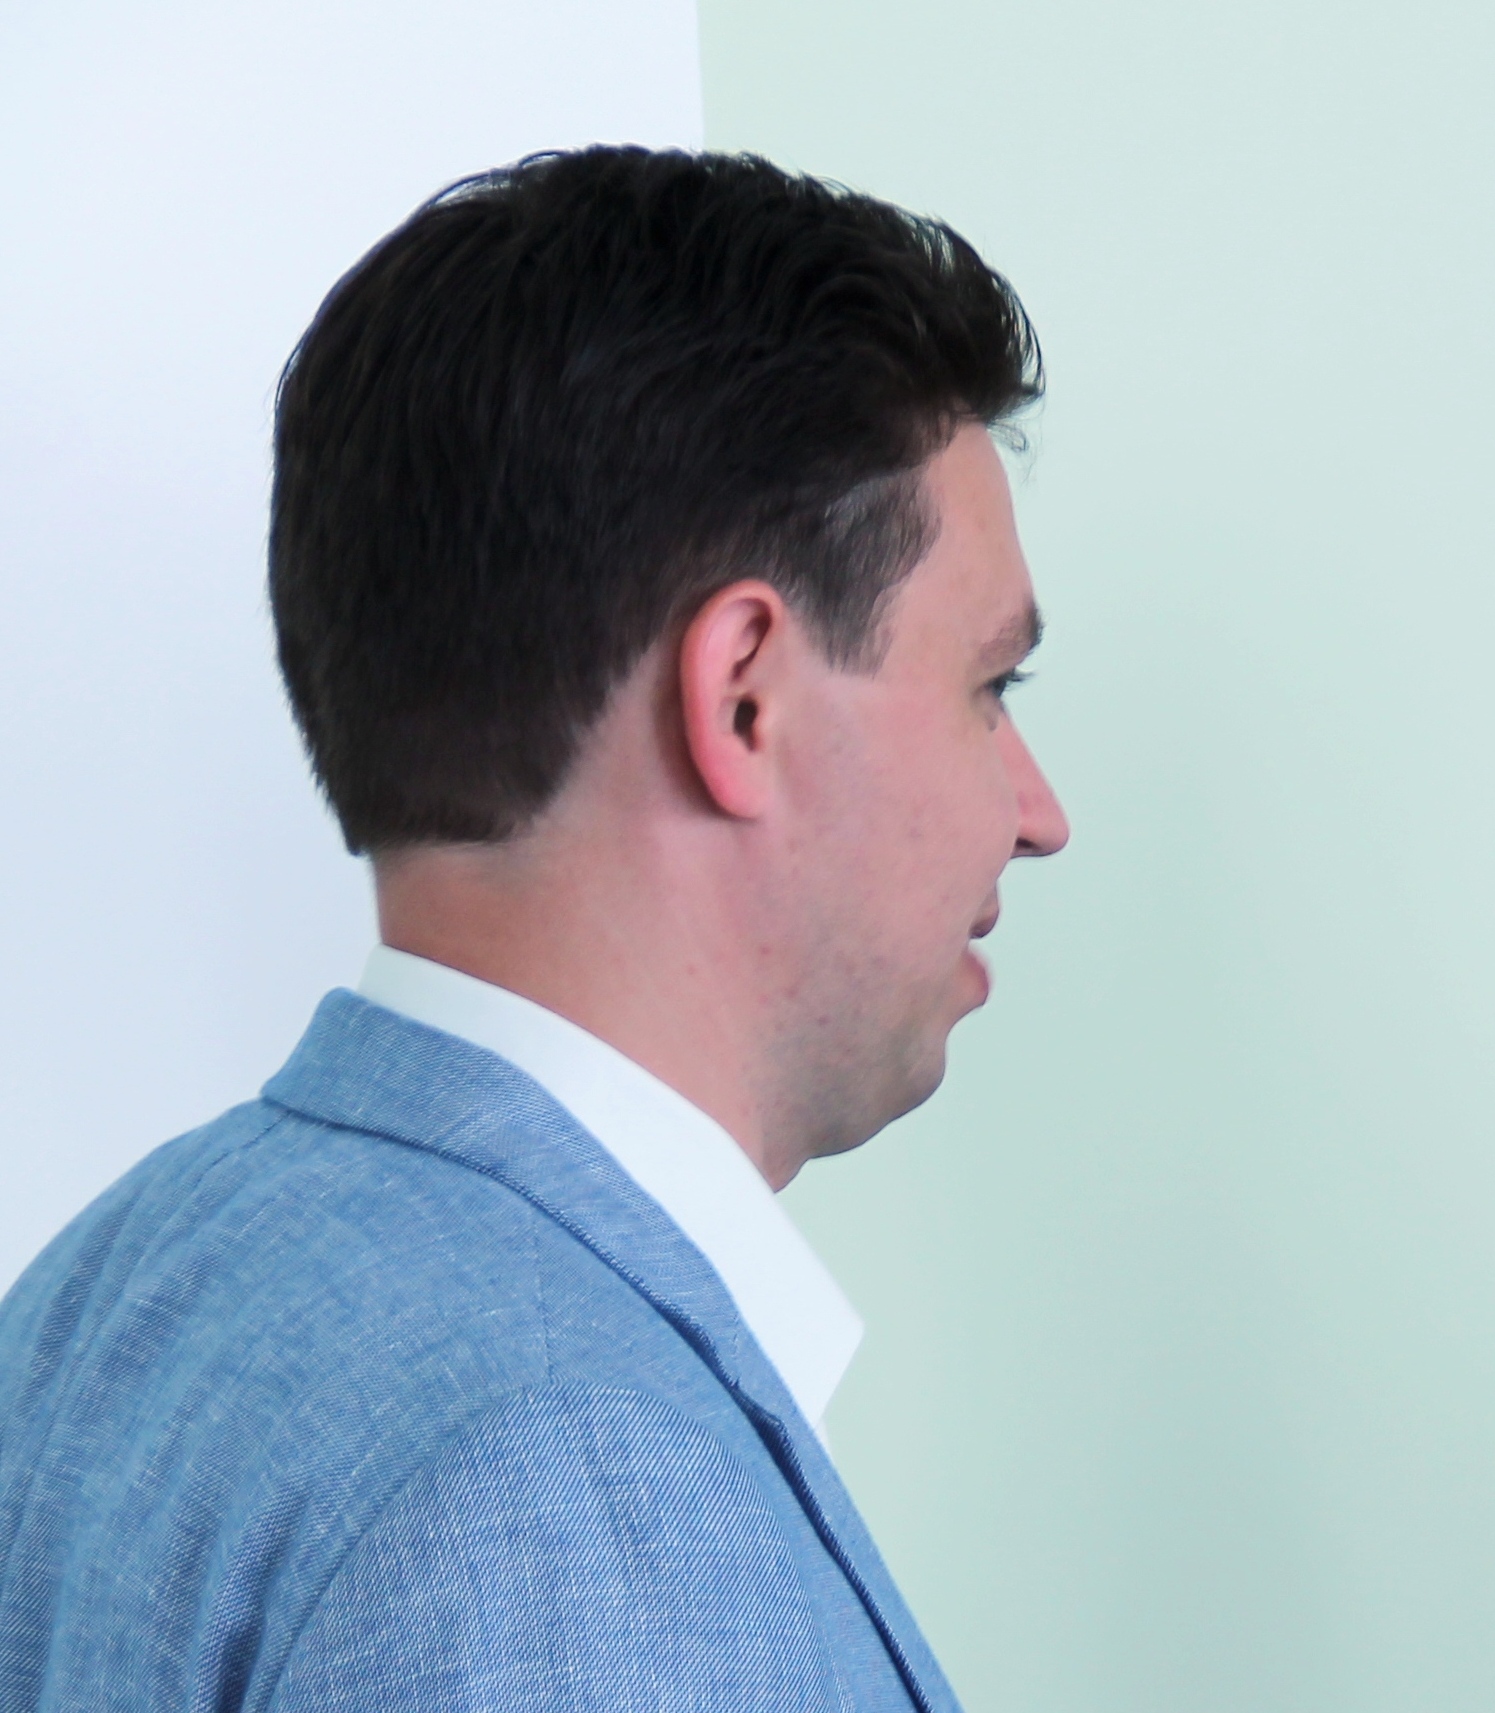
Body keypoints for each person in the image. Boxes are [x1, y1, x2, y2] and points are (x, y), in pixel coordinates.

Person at [0, 147, 1062, 1710]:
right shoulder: (570, 1485)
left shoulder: (105, 1299)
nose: (1036, 810)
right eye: (989, 686)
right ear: (744, 698)